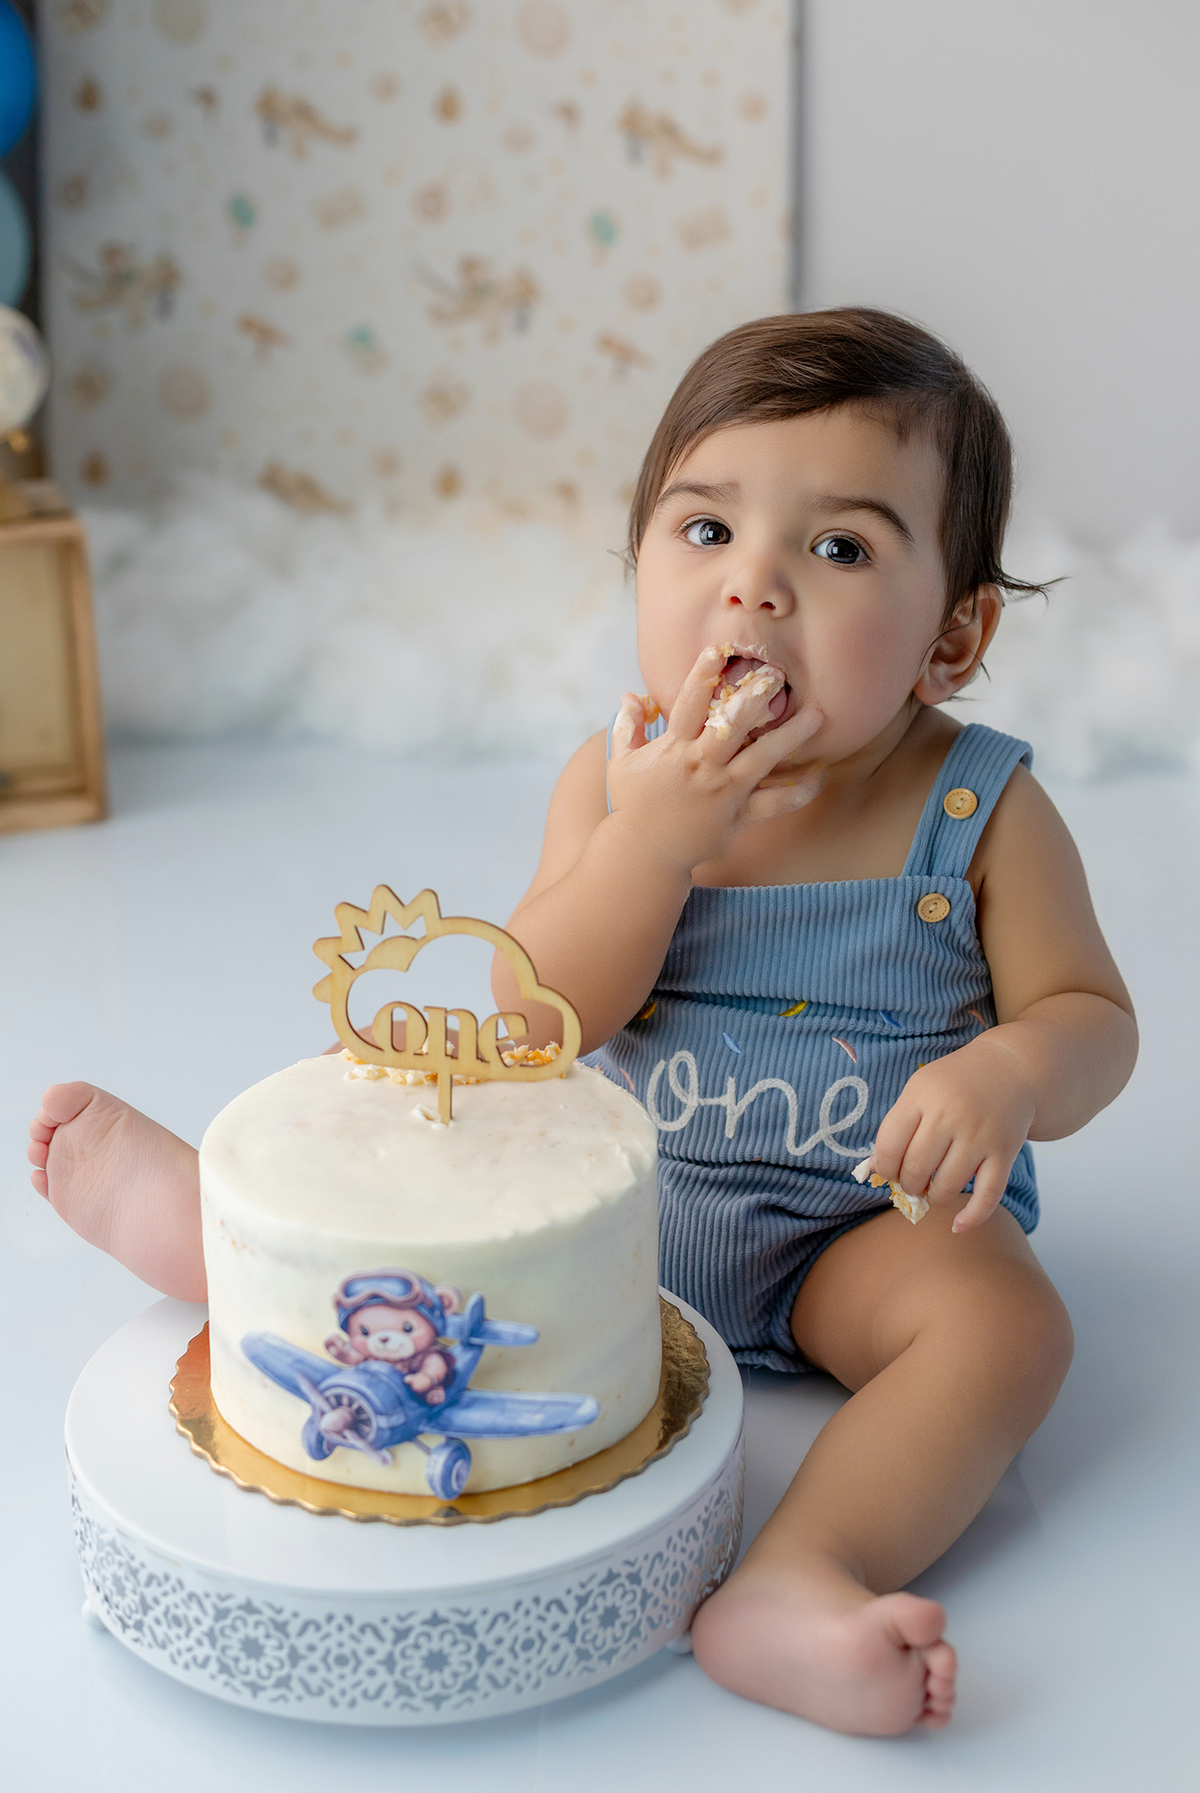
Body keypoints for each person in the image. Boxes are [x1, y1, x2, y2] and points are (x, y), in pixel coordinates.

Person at [28, 309, 1135, 1738]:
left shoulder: (979, 812)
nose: (753, 595)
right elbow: (539, 1015)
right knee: (423, 1150)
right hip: (615, 1217)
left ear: (955, 633)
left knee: (1010, 1332)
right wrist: (651, 840)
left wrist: (1012, 1066)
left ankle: (799, 1577)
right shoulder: (619, 785)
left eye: (840, 549)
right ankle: (219, 1231)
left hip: (862, 1239)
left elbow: (1092, 1018)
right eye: (704, 534)